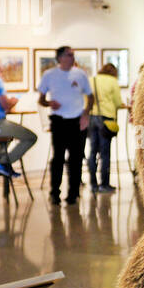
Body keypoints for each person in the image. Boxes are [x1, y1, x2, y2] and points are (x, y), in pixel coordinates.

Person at [38, 45, 92, 205]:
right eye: (69, 55)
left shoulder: (80, 74)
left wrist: (86, 114)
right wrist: (49, 103)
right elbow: (40, 99)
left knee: (76, 159)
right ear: (60, 58)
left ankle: (73, 193)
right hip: (59, 121)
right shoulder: (49, 75)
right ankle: (55, 192)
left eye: (73, 55)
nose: (72, 57)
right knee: (58, 158)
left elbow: (90, 97)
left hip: (77, 121)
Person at [87, 62, 123, 193]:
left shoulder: (92, 80)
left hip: (91, 117)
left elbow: (86, 99)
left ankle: (92, 183)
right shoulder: (113, 81)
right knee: (105, 153)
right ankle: (104, 184)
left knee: (92, 151)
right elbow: (118, 102)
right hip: (106, 118)